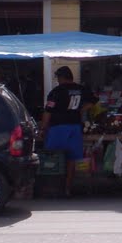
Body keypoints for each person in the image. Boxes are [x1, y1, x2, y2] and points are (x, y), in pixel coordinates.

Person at [41, 65, 96, 197]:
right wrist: (81, 110)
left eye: (58, 78)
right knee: (71, 159)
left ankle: (53, 187)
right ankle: (67, 188)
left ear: (61, 77)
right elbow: (94, 100)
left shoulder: (56, 92)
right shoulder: (81, 89)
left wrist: (43, 128)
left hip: (58, 128)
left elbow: (48, 112)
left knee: (52, 157)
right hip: (75, 127)